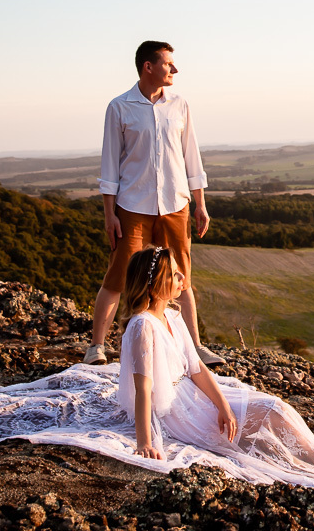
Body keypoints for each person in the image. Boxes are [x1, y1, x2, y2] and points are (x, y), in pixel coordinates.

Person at [119, 246, 314, 496]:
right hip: (177, 411)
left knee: (275, 407)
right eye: (174, 275)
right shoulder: (142, 326)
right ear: (152, 285)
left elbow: (196, 367)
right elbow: (143, 389)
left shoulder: (172, 315)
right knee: (267, 416)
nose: (183, 279)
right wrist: (145, 443)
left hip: (193, 393)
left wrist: (223, 405)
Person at [85, 40, 223, 368]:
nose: (174, 70)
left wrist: (200, 204)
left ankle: (195, 348)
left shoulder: (180, 105)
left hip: (176, 205)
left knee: (180, 276)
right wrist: (109, 215)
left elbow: (192, 156)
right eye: (168, 64)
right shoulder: (119, 107)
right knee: (119, 275)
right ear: (148, 67)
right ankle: (96, 347)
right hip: (132, 206)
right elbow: (110, 166)